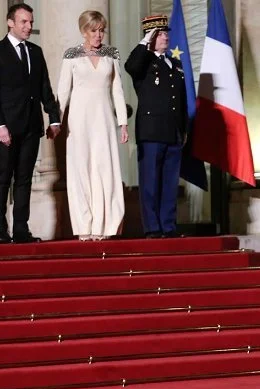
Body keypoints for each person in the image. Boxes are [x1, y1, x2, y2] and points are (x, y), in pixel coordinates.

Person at [0, 3, 61, 244]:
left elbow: (45, 88)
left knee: (25, 178)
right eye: (24, 22)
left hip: (31, 126)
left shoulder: (35, 52)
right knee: (4, 176)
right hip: (5, 128)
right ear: (10, 22)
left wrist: (53, 118)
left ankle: (21, 230)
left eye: (31, 22)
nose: (29, 26)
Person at [56, 10, 128, 241]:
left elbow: (118, 90)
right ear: (84, 31)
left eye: (101, 30)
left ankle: (104, 225)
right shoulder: (72, 54)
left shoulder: (111, 53)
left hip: (104, 119)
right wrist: (55, 121)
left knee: (105, 169)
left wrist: (123, 123)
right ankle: (84, 226)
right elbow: (63, 91)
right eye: (94, 30)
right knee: (81, 170)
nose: (99, 35)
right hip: (78, 120)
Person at [125, 15, 187, 239]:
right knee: (150, 181)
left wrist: (183, 129)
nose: (165, 37)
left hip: (172, 131)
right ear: (149, 37)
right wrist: (145, 41)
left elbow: (181, 100)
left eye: (165, 33)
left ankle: (168, 226)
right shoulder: (144, 62)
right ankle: (152, 227)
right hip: (151, 132)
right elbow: (130, 66)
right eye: (159, 34)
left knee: (170, 183)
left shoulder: (175, 63)